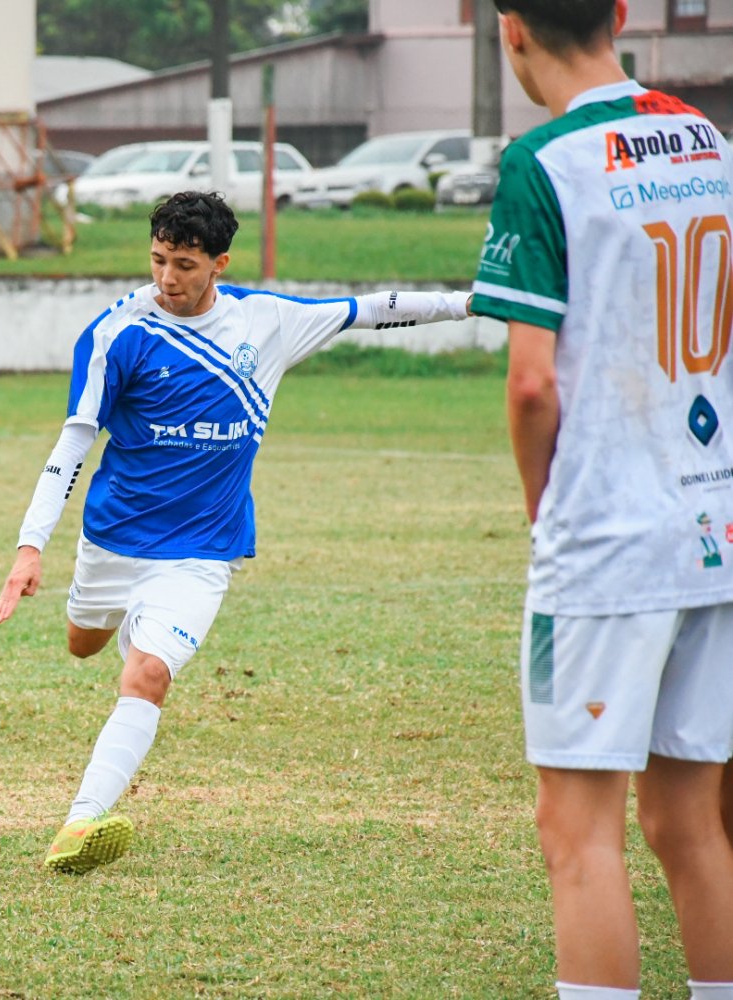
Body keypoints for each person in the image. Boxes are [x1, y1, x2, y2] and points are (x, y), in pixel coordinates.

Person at [0, 190, 473, 875]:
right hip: (113, 539)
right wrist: (30, 547)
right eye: (158, 260)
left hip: (202, 549)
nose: (167, 278)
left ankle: (80, 822)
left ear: (219, 263)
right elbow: (73, 443)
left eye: (185, 265)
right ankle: (128, 623)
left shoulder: (266, 322)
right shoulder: (118, 333)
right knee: (81, 642)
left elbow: (370, 309)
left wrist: (469, 303)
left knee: (147, 675)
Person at [469, 2, 733, 998]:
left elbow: (532, 383)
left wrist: (544, 508)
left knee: (577, 832)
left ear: (510, 29)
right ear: (620, 14)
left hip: (608, 541)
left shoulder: (544, 163)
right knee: (688, 822)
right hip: (714, 527)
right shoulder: (709, 142)